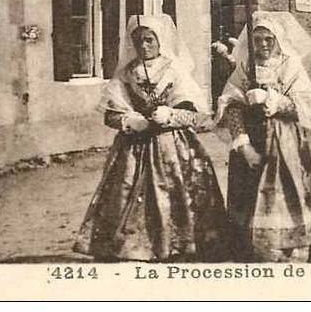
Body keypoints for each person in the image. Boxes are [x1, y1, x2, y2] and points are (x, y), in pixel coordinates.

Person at [74, 15, 227, 262]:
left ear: (160, 41)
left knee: (177, 193)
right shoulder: (126, 74)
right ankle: (134, 247)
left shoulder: (175, 70)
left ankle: (179, 244)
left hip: (172, 145)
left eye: (149, 40)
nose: (144, 46)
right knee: (125, 192)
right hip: (134, 147)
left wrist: (171, 115)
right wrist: (129, 121)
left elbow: (196, 116)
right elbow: (110, 114)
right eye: (138, 41)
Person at [216, 11, 311, 262]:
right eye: (258, 39)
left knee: (284, 194)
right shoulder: (244, 66)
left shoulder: (291, 65)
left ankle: (287, 249)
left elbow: (308, 105)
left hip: (285, 142)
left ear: (278, 39)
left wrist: (276, 102)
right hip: (252, 141)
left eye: (268, 39)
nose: (263, 45)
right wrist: (242, 142)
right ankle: (252, 251)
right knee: (250, 196)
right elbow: (230, 103)